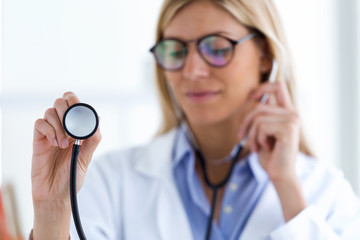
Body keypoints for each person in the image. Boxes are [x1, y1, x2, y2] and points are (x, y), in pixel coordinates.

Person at [30, 0, 360, 239]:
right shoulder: (110, 181)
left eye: (217, 48)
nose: (192, 71)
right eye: (175, 50)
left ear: (266, 58)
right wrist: (52, 208)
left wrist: (287, 187)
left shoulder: (326, 193)